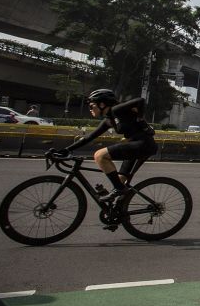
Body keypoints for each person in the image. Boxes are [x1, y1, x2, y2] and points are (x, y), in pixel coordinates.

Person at [53, 90, 157, 221]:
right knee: (120, 180)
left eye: (92, 106)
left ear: (102, 104)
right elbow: (89, 137)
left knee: (100, 155)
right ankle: (117, 212)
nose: (90, 109)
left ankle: (120, 190)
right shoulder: (108, 120)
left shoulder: (116, 110)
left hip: (144, 144)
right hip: (135, 146)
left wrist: (141, 119)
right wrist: (66, 150)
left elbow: (140, 101)